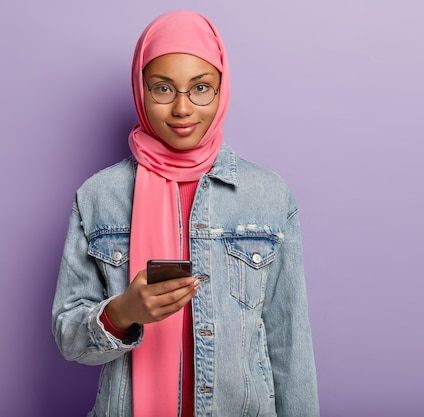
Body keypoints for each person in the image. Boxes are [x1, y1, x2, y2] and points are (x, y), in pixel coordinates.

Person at [51, 10, 319, 417]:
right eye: (162, 88)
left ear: (222, 89)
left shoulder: (268, 195)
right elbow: (69, 339)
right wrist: (124, 312)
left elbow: (290, 343)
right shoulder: (98, 196)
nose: (181, 108)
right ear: (141, 90)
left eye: (200, 88)